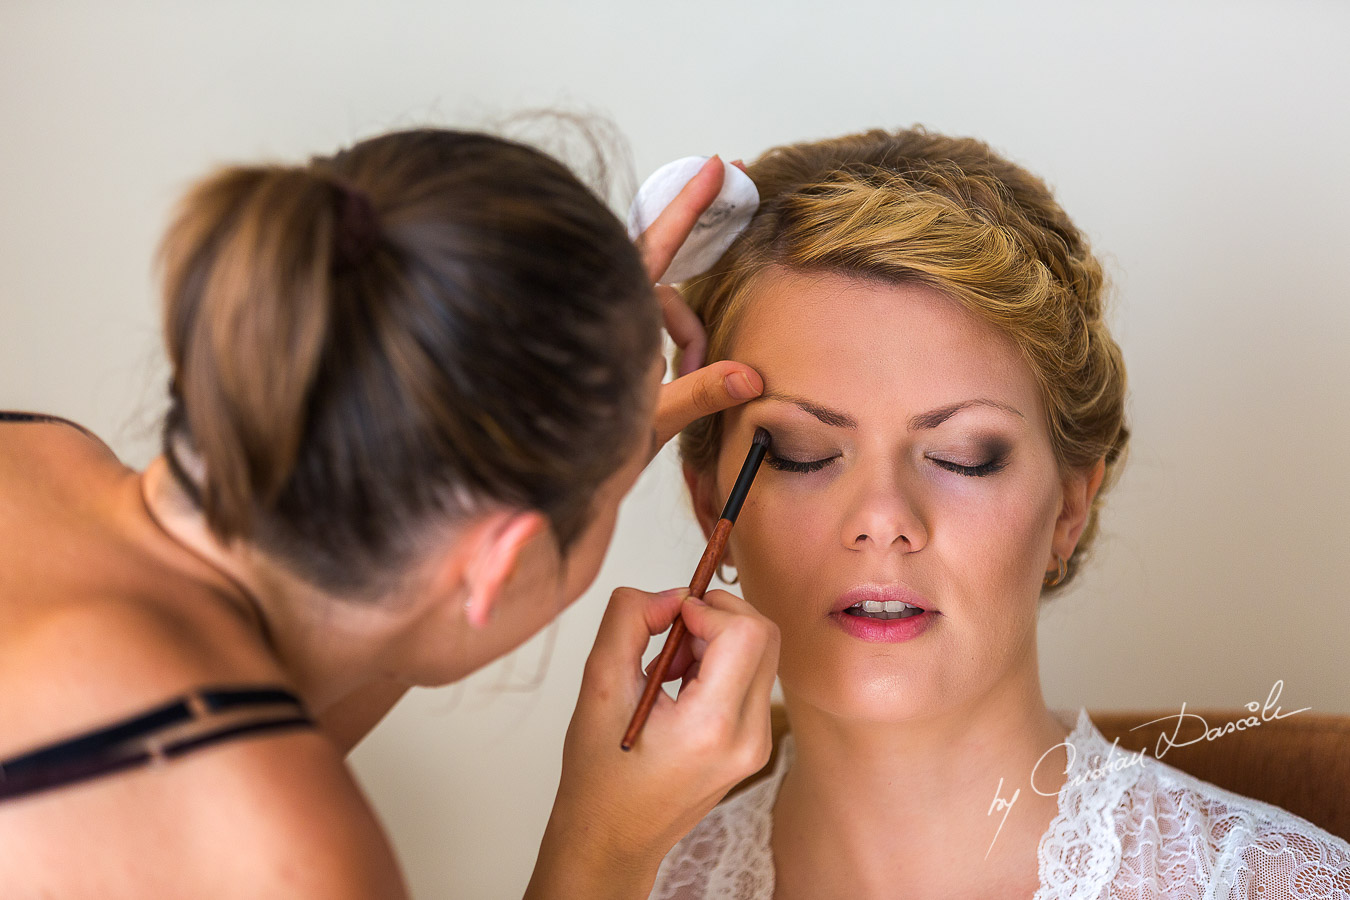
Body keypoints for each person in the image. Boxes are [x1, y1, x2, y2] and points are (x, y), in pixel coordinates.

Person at [0, 128, 781, 898]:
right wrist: (604, 844)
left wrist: (555, 370)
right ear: (495, 564)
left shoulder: (34, 453)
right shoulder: (286, 864)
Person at [652, 127, 1350, 899]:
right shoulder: (624, 881)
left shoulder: (1275, 886)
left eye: (963, 456)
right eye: (802, 452)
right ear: (710, 497)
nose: (883, 519)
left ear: (1069, 509)